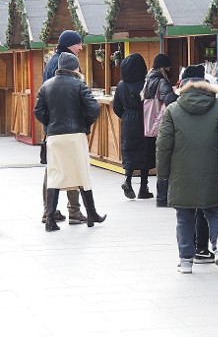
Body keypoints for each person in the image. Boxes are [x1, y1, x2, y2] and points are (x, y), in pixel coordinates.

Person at [156, 64, 218, 275]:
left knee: (184, 217)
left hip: (180, 174)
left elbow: (163, 146)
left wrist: (163, 177)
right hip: (212, 172)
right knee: (214, 212)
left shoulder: (173, 110)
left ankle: (185, 260)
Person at [34, 52, 105, 231]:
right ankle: (91, 214)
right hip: (75, 136)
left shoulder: (46, 86)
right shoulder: (79, 84)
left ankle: (50, 219)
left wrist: (49, 123)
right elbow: (93, 109)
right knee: (82, 173)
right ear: (74, 67)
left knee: (55, 175)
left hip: (54, 137)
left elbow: (38, 111)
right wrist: (85, 124)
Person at [40, 29, 87, 225]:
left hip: (54, 124)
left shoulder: (54, 61)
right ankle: (73, 212)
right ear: (69, 44)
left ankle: (49, 211)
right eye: (78, 44)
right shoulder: (63, 63)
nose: (81, 47)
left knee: (54, 166)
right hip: (65, 125)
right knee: (69, 165)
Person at [113, 53, 155, 200]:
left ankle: (128, 181)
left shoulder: (121, 85)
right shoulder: (147, 83)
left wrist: (125, 117)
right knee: (146, 152)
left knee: (129, 151)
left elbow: (116, 107)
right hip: (145, 119)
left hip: (128, 120)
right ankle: (144, 187)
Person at [142, 53, 178, 206]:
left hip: (149, 122)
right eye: (168, 67)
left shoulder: (148, 79)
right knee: (165, 157)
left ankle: (161, 195)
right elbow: (168, 99)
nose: (170, 69)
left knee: (160, 156)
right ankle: (164, 194)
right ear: (163, 67)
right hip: (162, 122)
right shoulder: (161, 81)